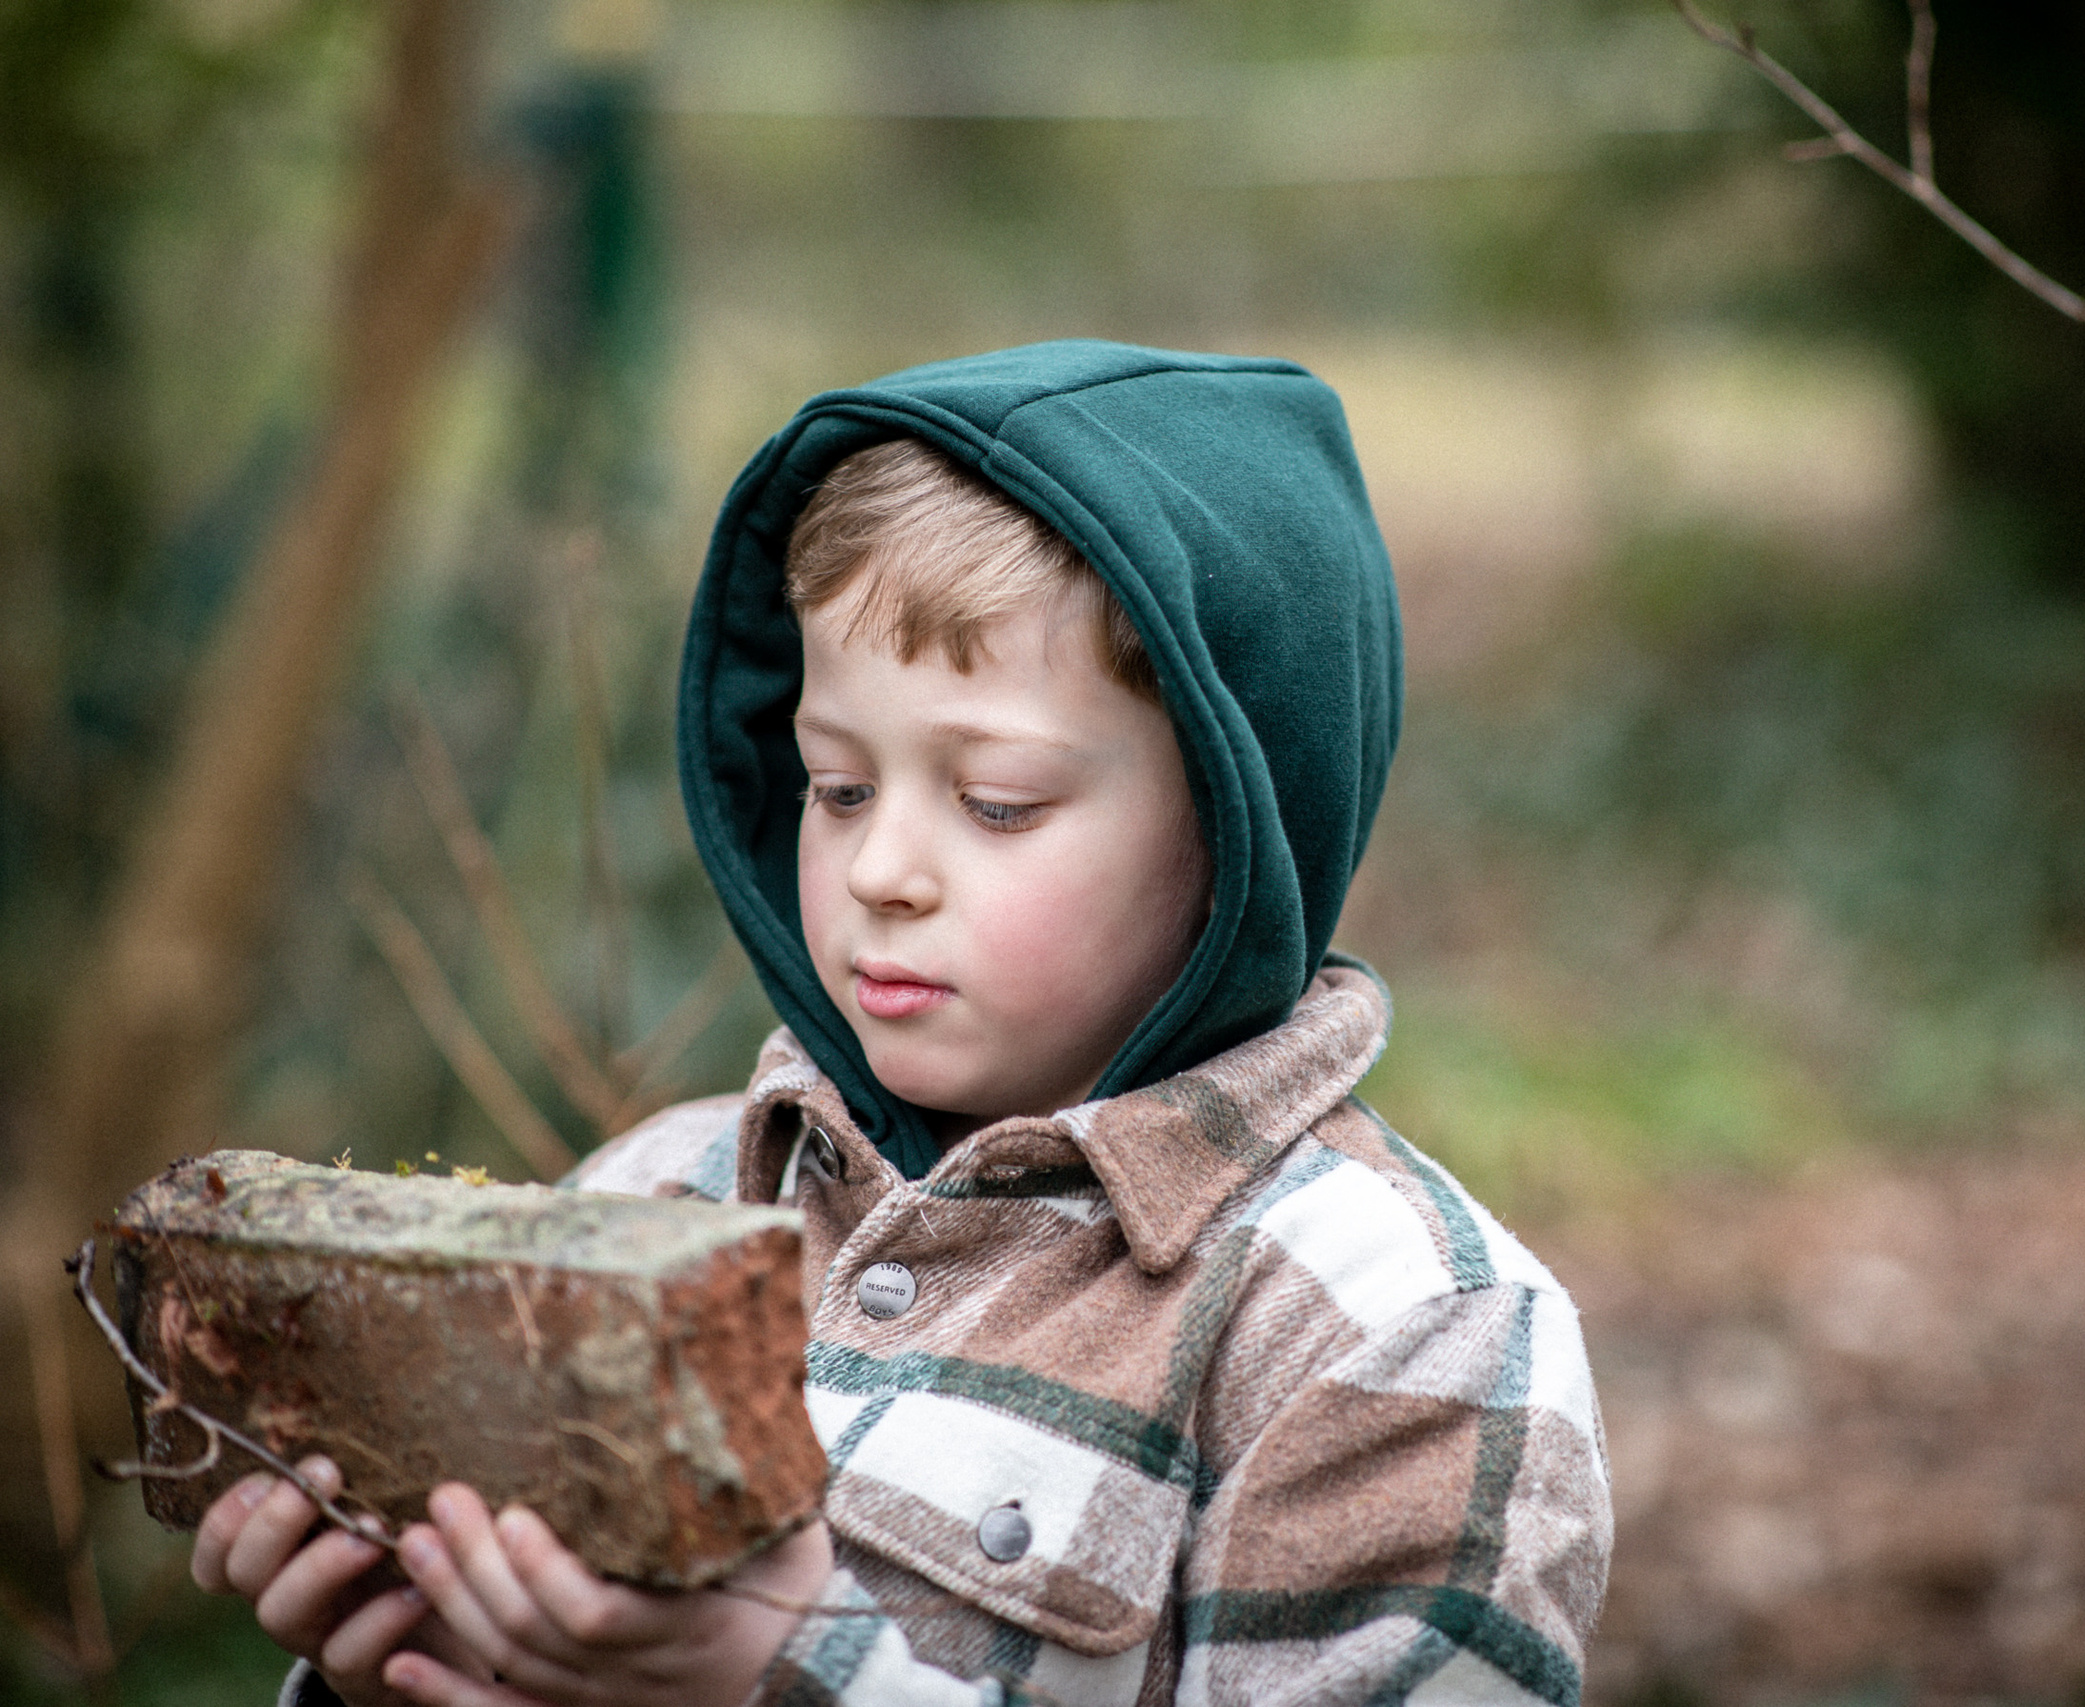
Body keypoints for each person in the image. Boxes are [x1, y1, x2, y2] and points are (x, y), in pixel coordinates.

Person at [192, 340, 1612, 1706]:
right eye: (838, 786)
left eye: (996, 803)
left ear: (1241, 832)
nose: (880, 872)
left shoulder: (1398, 1329)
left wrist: (779, 1677)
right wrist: (425, 1665)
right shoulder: (645, 1202)